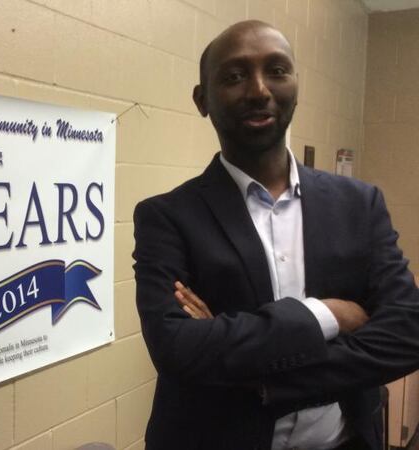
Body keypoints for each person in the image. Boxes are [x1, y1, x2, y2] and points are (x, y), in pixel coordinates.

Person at [133, 20, 419, 450]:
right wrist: (326, 316)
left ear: (297, 86)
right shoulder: (168, 217)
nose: (259, 90)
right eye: (234, 76)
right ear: (202, 99)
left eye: (277, 71)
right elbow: (178, 349)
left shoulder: (359, 205)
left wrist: (269, 381)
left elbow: (406, 332)